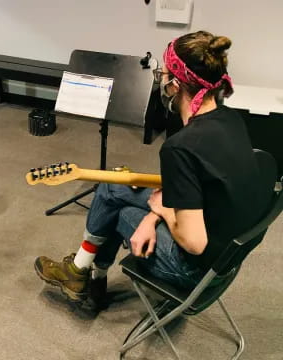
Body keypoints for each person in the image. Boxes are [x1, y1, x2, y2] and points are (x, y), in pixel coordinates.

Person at [34, 30, 269, 309]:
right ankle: (82, 272)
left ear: (176, 85)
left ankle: (87, 275)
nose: (162, 81)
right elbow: (205, 186)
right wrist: (154, 215)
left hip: (194, 271)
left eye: (164, 75)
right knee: (113, 185)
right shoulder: (230, 118)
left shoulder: (180, 148)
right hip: (225, 255)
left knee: (118, 210)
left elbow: (194, 243)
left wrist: (163, 213)